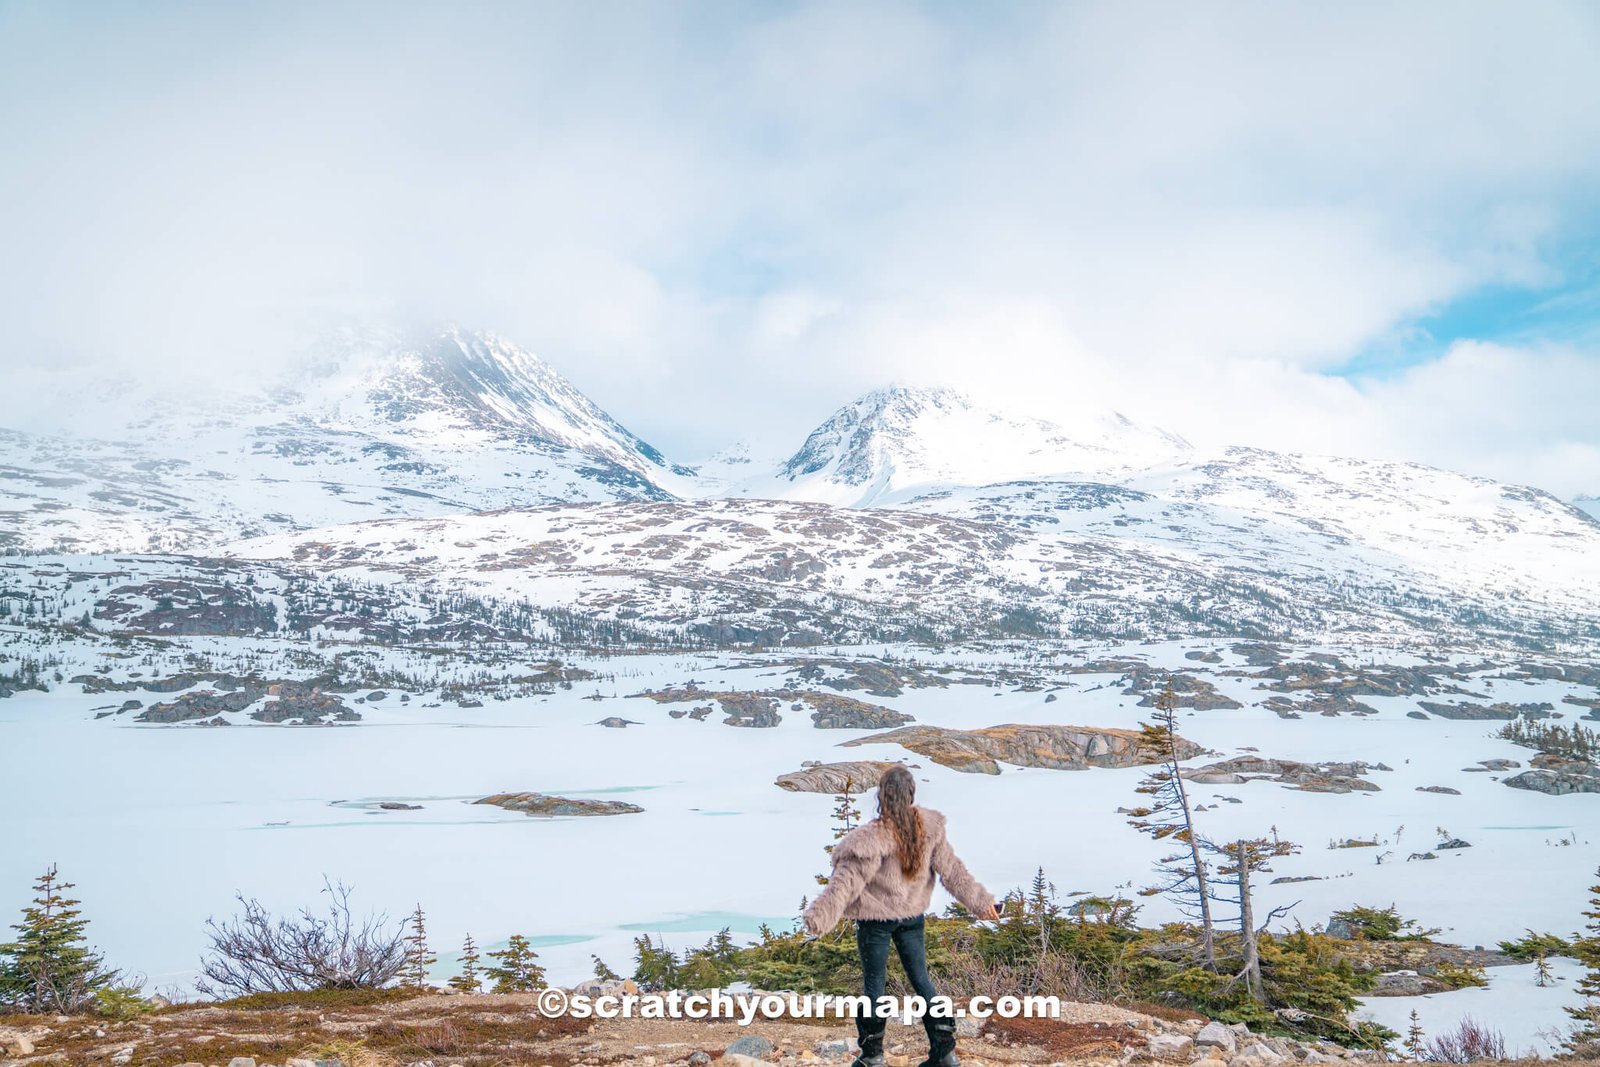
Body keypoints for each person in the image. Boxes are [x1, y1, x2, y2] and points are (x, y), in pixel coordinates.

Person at [802, 765, 998, 1067]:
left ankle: (872, 1057)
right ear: (911, 794)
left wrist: (819, 917)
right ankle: (944, 1053)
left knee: (874, 987)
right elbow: (953, 872)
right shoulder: (930, 830)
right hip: (911, 917)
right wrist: (982, 903)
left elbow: (845, 884)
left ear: (881, 796)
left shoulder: (870, 839)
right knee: (922, 981)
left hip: (875, 922)